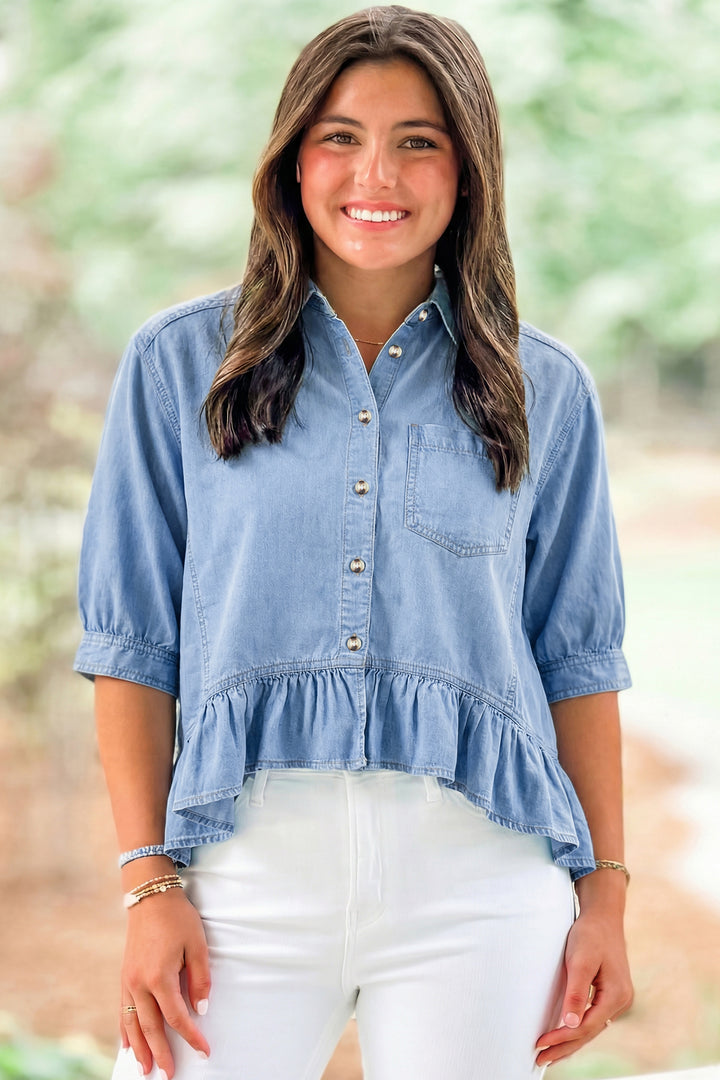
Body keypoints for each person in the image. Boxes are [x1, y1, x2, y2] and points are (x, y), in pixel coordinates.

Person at [74, 6, 634, 1079]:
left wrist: (604, 893)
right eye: (340, 136)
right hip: (242, 874)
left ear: (467, 169)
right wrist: (149, 886)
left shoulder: (545, 388)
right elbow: (131, 644)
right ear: (291, 164)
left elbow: (577, 658)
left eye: (417, 140)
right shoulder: (176, 366)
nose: (375, 172)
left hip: (481, 877)